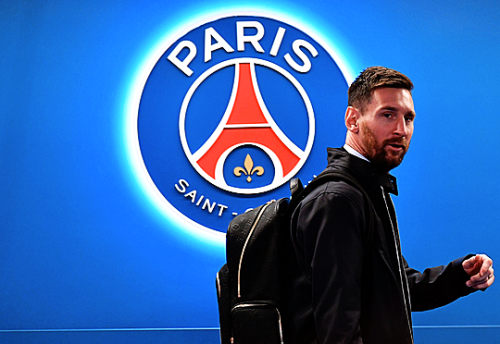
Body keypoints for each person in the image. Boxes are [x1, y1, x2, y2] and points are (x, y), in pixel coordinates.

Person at [286, 66, 495, 344]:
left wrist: (459, 276)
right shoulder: (338, 200)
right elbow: (338, 330)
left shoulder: (367, 190)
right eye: (388, 115)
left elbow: (396, 289)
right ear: (353, 120)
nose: (401, 129)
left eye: (408, 118)